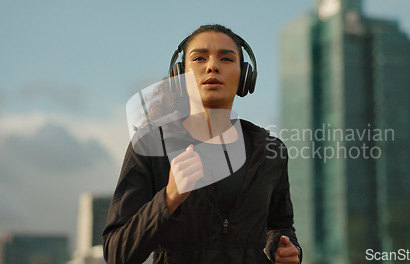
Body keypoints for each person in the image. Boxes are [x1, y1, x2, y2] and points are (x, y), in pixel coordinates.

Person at [103, 24, 302, 264]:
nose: (212, 66)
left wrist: (286, 249)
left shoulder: (271, 150)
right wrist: (169, 198)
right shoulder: (150, 145)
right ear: (180, 76)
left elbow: (280, 226)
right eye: (199, 58)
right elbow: (116, 253)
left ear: (245, 76)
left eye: (227, 59)